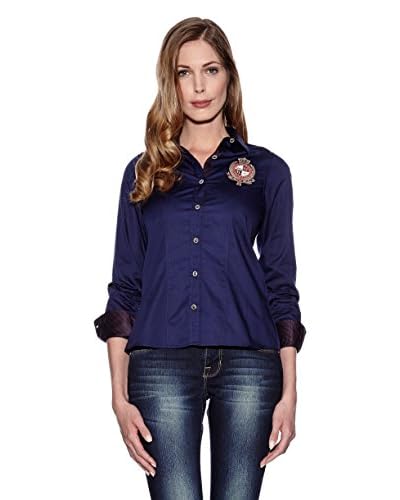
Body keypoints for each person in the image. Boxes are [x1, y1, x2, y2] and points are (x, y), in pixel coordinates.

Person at [93, 17, 306, 500]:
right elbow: (125, 286)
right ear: (170, 82)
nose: (199, 86)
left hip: (250, 363)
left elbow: (281, 285)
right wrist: (118, 395)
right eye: (184, 73)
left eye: (210, 70)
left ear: (229, 76)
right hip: (159, 362)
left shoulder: (268, 172)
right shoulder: (143, 172)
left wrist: (291, 391)